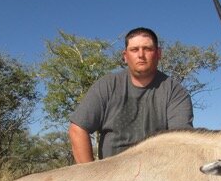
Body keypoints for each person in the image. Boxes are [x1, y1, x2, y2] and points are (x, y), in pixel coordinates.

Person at [69, 27, 193, 163]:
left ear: (158, 53)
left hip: (156, 175)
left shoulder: (176, 92)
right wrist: (91, 177)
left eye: (147, 49)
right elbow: (78, 129)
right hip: (110, 175)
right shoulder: (106, 85)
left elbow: (181, 142)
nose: (141, 55)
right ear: (125, 56)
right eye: (134, 50)